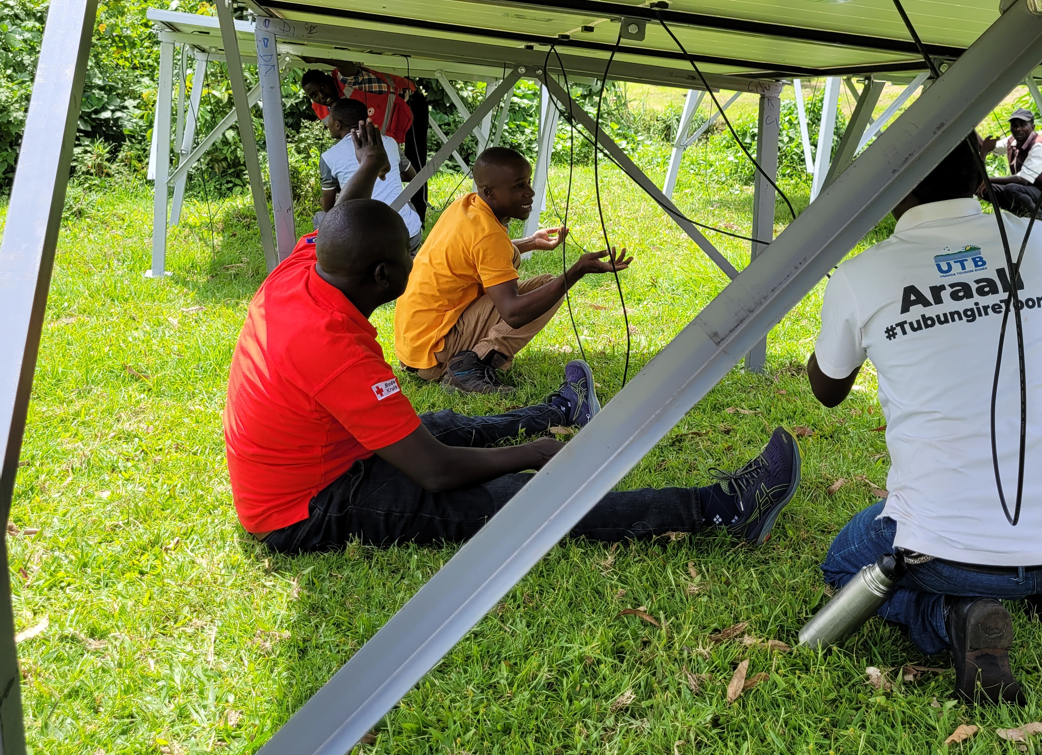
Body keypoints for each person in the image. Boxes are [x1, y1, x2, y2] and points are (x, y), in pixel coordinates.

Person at [222, 122, 802, 553]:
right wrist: (537, 454)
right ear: (380, 277)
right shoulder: (334, 347)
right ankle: (722, 509)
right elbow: (436, 474)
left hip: (318, 460)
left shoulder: (301, 273)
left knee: (441, 427)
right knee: (514, 499)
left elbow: (338, 220)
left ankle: (558, 408)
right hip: (305, 509)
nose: (417, 261)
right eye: (408, 255)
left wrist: (370, 165)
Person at [808, 139, 1042, 705]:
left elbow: (826, 389)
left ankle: (953, 614)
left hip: (947, 552)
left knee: (843, 564)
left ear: (891, 188)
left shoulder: (862, 276)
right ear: (982, 179)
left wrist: (852, 303)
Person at [395, 146, 617, 394]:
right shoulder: (488, 235)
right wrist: (576, 271)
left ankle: (467, 362)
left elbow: (480, 253)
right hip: (433, 352)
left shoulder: (466, 206)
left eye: (528, 182)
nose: (530, 193)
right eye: (518, 186)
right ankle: (470, 368)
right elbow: (514, 314)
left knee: (545, 283)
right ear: (489, 191)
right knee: (546, 291)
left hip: (414, 346)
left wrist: (531, 242)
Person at [301, 58, 430, 219]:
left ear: (330, 79)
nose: (321, 95)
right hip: (385, 117)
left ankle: (420, 217)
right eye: (314, 95)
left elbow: (347, 65)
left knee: (415, 162)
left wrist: (316, 59)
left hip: (409, 101)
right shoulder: (327, 109)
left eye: (322, 87)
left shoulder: (345, 80)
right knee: (373, 164)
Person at [319, 98, 423, 253]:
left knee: (320, 217)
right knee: (407, 205)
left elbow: (330, 208)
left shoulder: (329, 157)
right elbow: (412, 176)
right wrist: (389, 176)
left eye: (330, 121)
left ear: (337, 124)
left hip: (367, 244)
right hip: (409, 233)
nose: (327, 125)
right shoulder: (389, 142)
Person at [978, 108, 1042, 220]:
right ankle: (1022, 213)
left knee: (1012, 189)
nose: (1018, 129)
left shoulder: (1038, 145)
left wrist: (987, 179)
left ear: (1032, 127)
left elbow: (1022, 179)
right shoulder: (1012, 141)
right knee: (985, 189)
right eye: (1014, 125)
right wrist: (971, 130)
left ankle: (1039, 216)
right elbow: (990, 148)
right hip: (1026, 191)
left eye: (1023, 125)